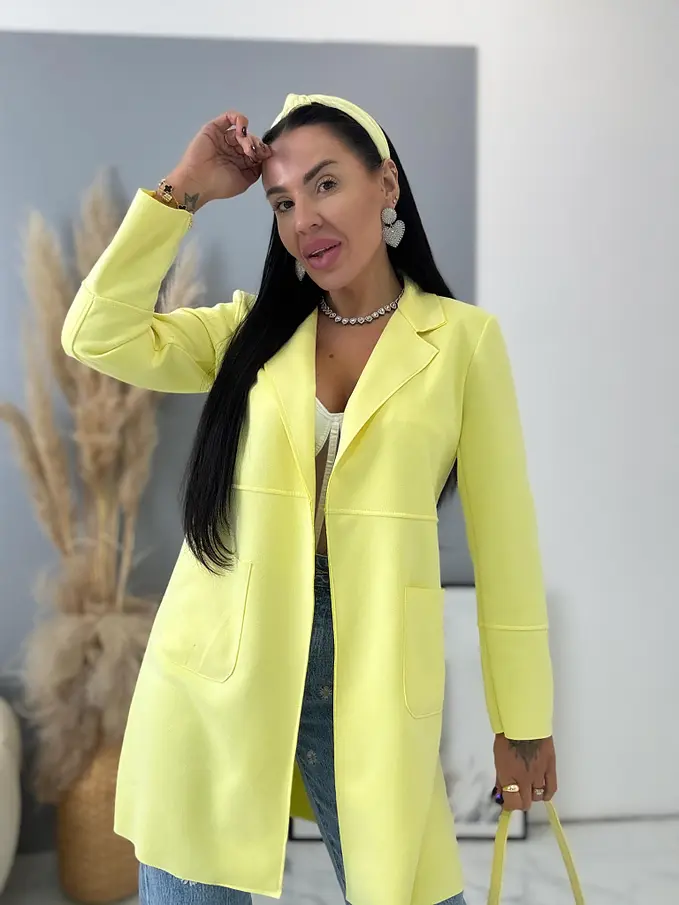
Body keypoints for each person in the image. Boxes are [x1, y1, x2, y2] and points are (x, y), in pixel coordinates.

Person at [61, 93, 557, 905]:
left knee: (409, 887)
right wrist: (186, 187)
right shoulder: (248, 332)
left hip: (372, 662)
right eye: (282, 202)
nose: (304, 220)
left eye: (325, 184)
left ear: (385, 184)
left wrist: (524, 719)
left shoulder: (462, 341)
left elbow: (507, 544)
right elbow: (95, 333)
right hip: (218, 667)